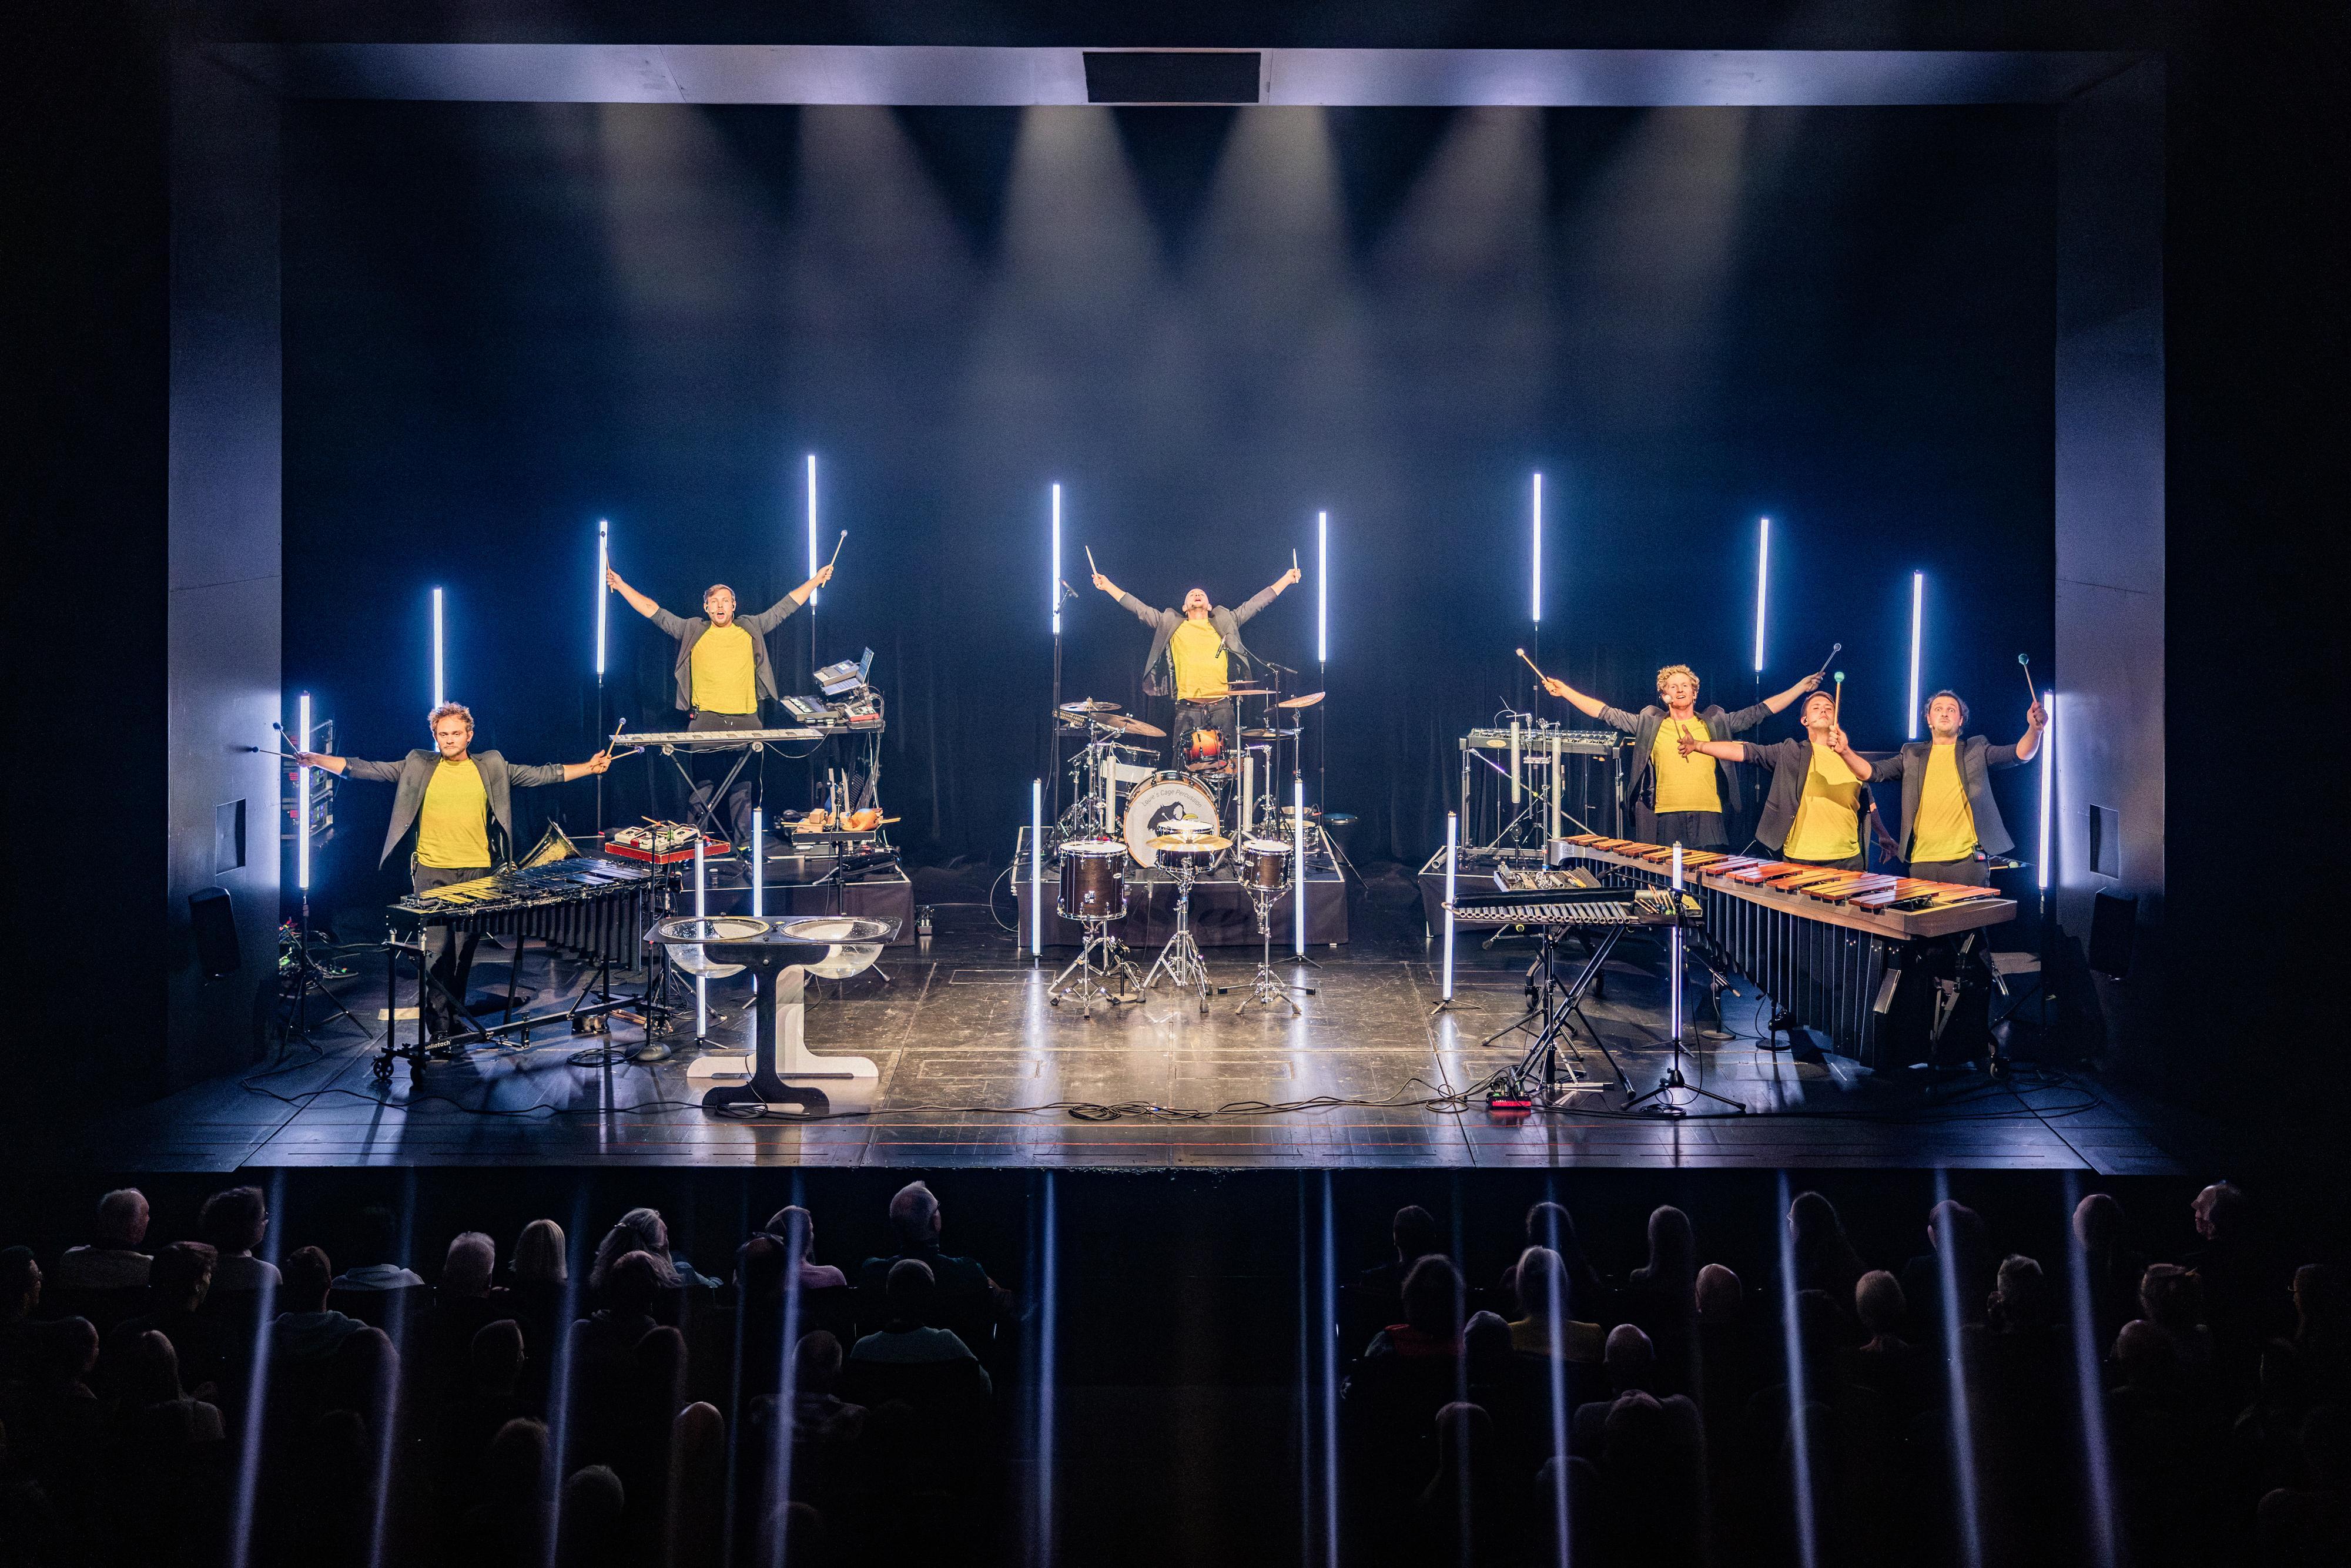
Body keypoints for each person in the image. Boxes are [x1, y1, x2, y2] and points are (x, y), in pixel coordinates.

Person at [296, 703, 610, 1039]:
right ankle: (439, 1030)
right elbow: (366, 769)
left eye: (456, 733)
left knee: (463, 953)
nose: (449, 740)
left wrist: (589, 768)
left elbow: (542, 774)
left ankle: (454, 1017)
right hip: (432, 872)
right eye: (442, 734)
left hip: (477, 874)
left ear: (469, 735)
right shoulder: (418, 764)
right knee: (436, 953)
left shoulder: (492, 765)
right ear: (435, 736)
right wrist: (317, 759)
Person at [606, 562, 835, 845]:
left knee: (742, 788)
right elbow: (654, 611)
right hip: (706, 721)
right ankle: (692, 846)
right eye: (714, 602)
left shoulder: (750, 627)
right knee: (701, 788)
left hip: (746, 720)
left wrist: (815, 580)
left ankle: (744, 846)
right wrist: (621, 585)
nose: (720, 606)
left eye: (725, 601)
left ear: (734, 606)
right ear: (706, 608)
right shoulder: (692, 629)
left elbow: (785, 607)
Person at [1542, 663, 1821, 847]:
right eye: (1672, 686)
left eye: (1685, 685)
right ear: (1664, 695)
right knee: (1670, 888)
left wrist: (1800, 688)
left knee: (1708, 890)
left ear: (1694, 693)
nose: (1679, 689)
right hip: (1666, 816)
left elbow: (1760, 711)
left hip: (1709, 815)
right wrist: (1565, 692)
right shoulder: (1650, 724)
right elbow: (1605, 713)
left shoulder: (1716, 723)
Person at [1090, 562, 1300, 767]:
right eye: (1191, 594)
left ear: (1209, 606)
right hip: (1187, 709)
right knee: (1182, 769)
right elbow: (1139, 609)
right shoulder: (1172, 624)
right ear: (1184, 607)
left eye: (1201, 593)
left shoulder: (1226, 621)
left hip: (1222, 707)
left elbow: (1256, 604)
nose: (1197, 594)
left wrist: (1287, 579)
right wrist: (1108, 586)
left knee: (1228, 768)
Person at [1676, 689, 1874, 867]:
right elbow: (1744, 751)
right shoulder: (1791, 752)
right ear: (1804, 721)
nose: (1823, 710)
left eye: (1829, 708)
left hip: (1848, 859)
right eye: (1816, 707)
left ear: (1836, 719)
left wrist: (1883, 836)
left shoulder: (1853, 760)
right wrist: (1698, 745)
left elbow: (1868, 802)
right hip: (1800, 857)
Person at [1871, 690, 2044, 884]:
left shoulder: (1976, 749)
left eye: (1951, 710)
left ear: (1961, 720)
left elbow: (2018, 754)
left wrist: (2034, 730)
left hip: (1967, 863)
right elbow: (1873, 772)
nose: (1945, 713)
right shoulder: (1911, 754)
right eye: (1938, 709)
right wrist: (1846, 752)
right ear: (1929, 719)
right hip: (1922, 862)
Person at [52, 1188, 152, 1294]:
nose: (149, 1219)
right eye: (146, 1214)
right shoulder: (148, 1267)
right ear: (135, 1228)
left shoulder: (70, 1259)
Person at [198, 1185, 280, 1295]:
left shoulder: (199, 1270)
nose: (266, 1221)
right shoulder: (268, 1273)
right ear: (250, 1226)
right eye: (263, 1216)